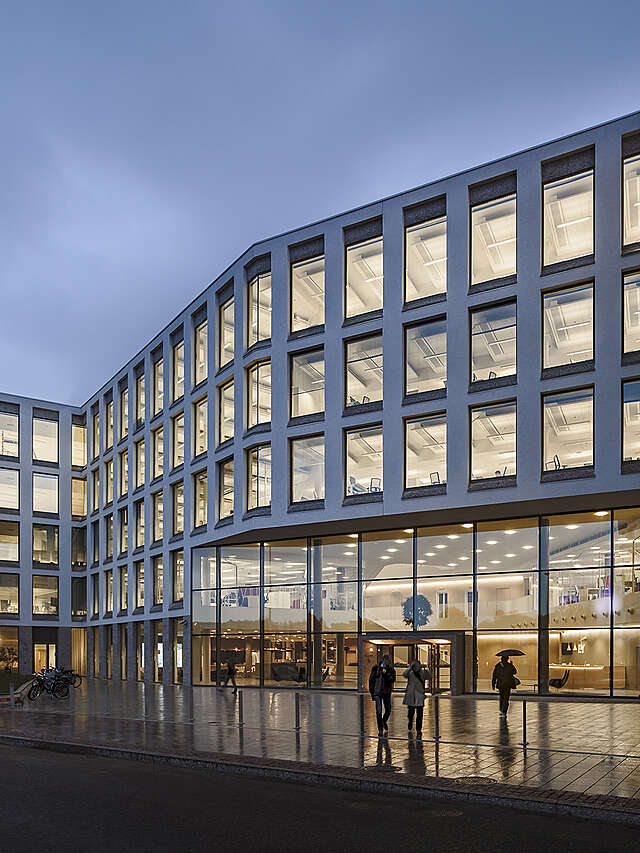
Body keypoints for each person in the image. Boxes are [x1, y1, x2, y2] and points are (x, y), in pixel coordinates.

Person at [369, 654, 396, 735]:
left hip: (386, 692)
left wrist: (386, 674)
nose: (387, 662)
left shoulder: (391, 670)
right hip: (377, 692)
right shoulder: (376, 668)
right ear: (383, 660)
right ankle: (380, 729)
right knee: (378, 711)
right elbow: (371, 680)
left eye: (389, 661)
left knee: (388, 710)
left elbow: (393, 679)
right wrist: (372, 692)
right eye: (386, 660)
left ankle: (384, 721)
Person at [403, 659, 428, 735]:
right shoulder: (410, 673)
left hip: (419, 695)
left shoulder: (422, 673)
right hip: (411, 695)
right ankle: (410, 721)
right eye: (415, 665)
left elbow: (429, 676)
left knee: (420, 714)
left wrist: (425, 669)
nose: (417, 667)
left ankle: (418, 729)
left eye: (418, 665)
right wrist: (410, 667)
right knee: (411, 712)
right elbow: (404, 674)